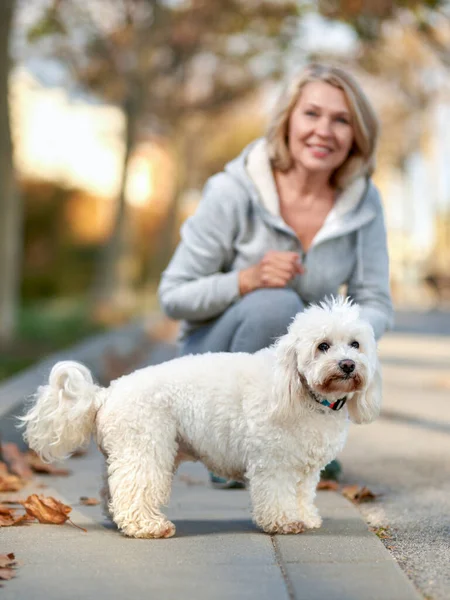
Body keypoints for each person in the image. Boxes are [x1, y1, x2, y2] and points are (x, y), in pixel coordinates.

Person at [158, 63, 393, 488]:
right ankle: (232, 450)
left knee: (331, 336)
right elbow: (173, 295)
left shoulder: (364, 203)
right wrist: (244, 280)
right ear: (287, 120)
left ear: (357, 135)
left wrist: (350, 337)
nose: (325, 130)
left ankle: (304, 441)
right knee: (276, 305)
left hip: (306, 370)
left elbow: (375, 300)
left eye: (342, 120)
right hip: (219, 358)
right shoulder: (233, 190)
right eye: (312, 114)